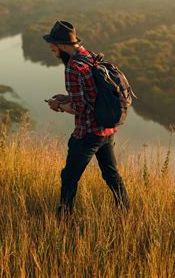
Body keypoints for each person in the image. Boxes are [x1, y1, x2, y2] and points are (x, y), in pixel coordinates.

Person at [43, 20, 130, 219]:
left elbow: (80, 108)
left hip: (88, 133)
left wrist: (59, 106)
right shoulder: (89, 56)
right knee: (111, 175)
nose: (53, 53)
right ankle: (125, 212)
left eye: (53, 50)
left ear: (61, 46)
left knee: (69, 177)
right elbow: (91, 96)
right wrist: (66, 97)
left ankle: (64, 220)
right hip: (106, 130)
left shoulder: (73, 67)